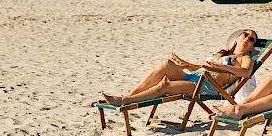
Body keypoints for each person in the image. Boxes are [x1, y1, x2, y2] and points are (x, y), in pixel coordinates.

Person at [101, 29, 259, 107]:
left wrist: (225, 68)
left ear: (252, 47)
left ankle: (124, 101)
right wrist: (187, 65)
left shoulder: (245, 59)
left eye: (251, 39)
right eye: (245, 34)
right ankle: (129, 97)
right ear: (238, 37)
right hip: (196, 77)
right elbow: (203, 67)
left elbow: (245, 73)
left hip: (207, 86)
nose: (247, 39)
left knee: (164, 85)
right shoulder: (222, 53)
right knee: (166, 64)